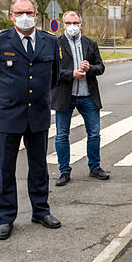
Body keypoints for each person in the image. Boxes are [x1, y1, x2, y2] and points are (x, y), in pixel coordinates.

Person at [0, 0, 62, 240]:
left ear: (37, 15)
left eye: (29, 13)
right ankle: (5, 217)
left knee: (39, 167)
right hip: (8, 116)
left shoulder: (49, 42)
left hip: (38, 114)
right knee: (4, 168)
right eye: (19, 13)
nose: (25, 17)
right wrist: (3, 100)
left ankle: (41, 210)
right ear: (11, 16)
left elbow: (54, 77)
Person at [52, 11, 110, 186]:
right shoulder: (56, 44)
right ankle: (64, 171)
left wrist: (90, 68)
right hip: (65, 96)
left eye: (75, 22)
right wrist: (71, 74)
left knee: (94, 134)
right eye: (68, 23)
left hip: (87, 96)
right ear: (63, 25)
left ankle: (95, 167)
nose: (72, 26)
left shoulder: (90, 44)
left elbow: (101, 67)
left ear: (81, 24)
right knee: (62, 135)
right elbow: (51, 71)